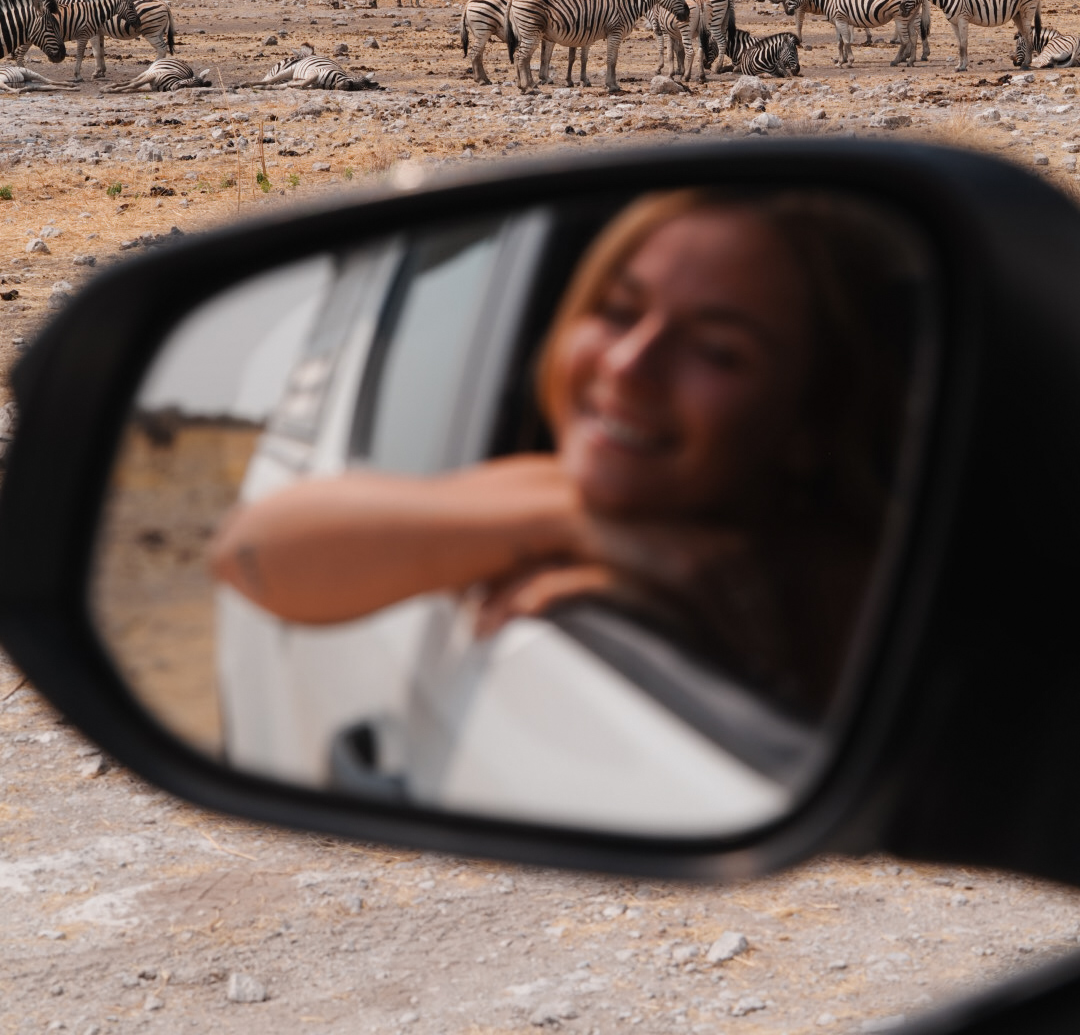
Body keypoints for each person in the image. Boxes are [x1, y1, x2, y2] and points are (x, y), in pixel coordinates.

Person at [209, 189, 926, 721]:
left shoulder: (858, 588)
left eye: (718, 351)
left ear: (809, 423)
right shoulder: (555, 495)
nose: (629, 364)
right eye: (617, 310)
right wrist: (589, 529)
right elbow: (249, 551)